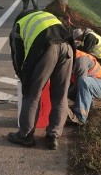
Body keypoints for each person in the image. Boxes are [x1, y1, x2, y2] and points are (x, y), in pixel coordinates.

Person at [8, 9, 74, 150]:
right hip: (68, 47)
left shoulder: (18, 26)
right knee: (60, 95)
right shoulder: (46, 16)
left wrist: (25, 81)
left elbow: (18, 58)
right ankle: (53, 136)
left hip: (47, 49)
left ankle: (25, 136)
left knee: (32, 94)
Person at [68, 49, 101, 124]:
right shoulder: (72, 57)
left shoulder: (80, 60)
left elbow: (78, 85)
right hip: (95, 83)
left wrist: (64, 96)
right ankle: (88, 108)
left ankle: (80, 117)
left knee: (83, 81)